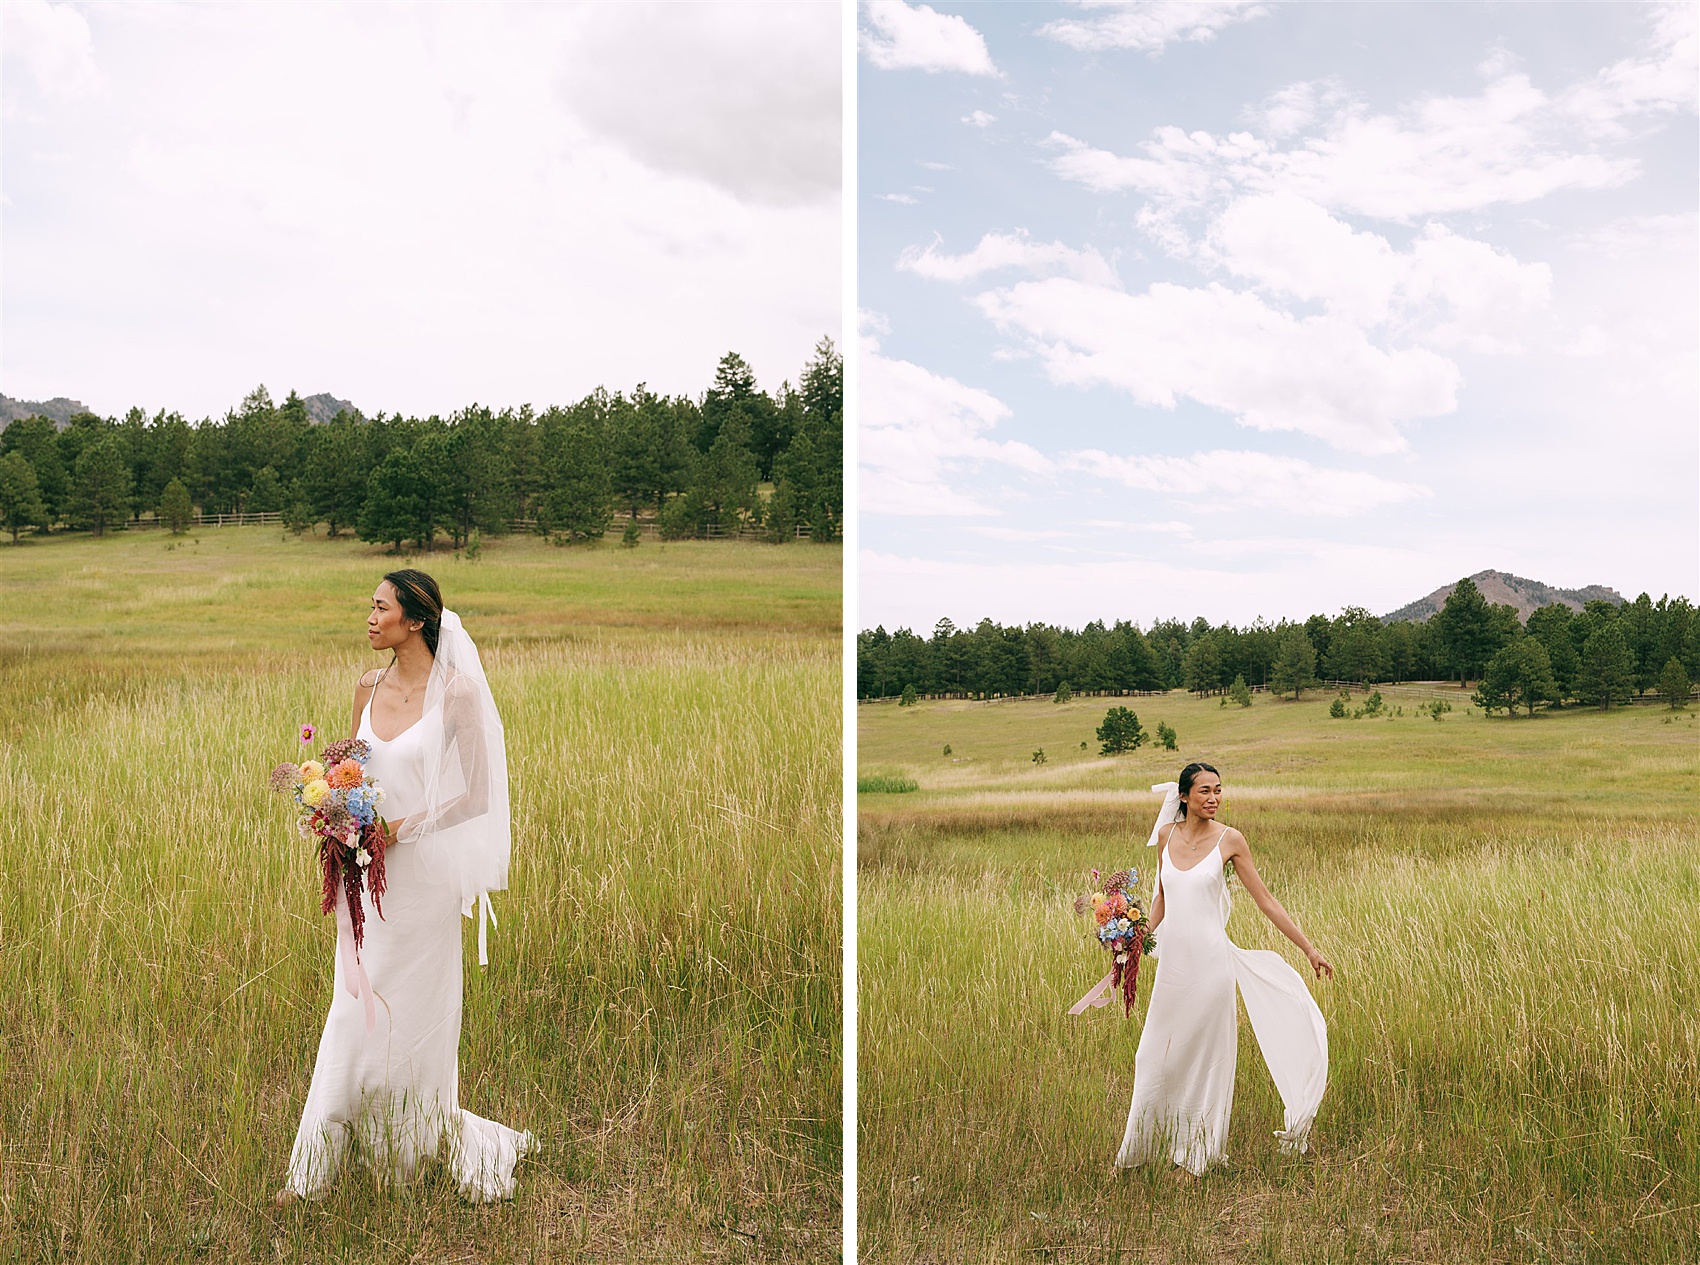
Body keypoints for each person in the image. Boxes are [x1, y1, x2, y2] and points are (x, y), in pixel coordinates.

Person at [277, 569, 533, 1203]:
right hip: (362, 878)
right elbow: (351, 770)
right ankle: (314, 1167)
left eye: (379, 607)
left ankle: (408, 1147)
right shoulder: (365, 685)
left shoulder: (460, 693)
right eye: (369, 606)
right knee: (350, 1011)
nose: (368, 617)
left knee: (413, 1016)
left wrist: (401, 829)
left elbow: (477, 795)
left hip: (421, 885)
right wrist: (336, 815)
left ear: (414, 620)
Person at [1115, 762, 1332, 1176]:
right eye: (1204, 792)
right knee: (1152, 1056)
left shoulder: (1231, 840)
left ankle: (1198, 1157)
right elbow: (1161, 899)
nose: (1213, 798)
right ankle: (1138, 1152)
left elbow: (1266, 900)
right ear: (1183, 797)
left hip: (1212, 967)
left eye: (1218, 791)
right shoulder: (1166, 836)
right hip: (1173, 968)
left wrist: (1308, 948)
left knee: (1208, 1061)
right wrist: (1133, 940)